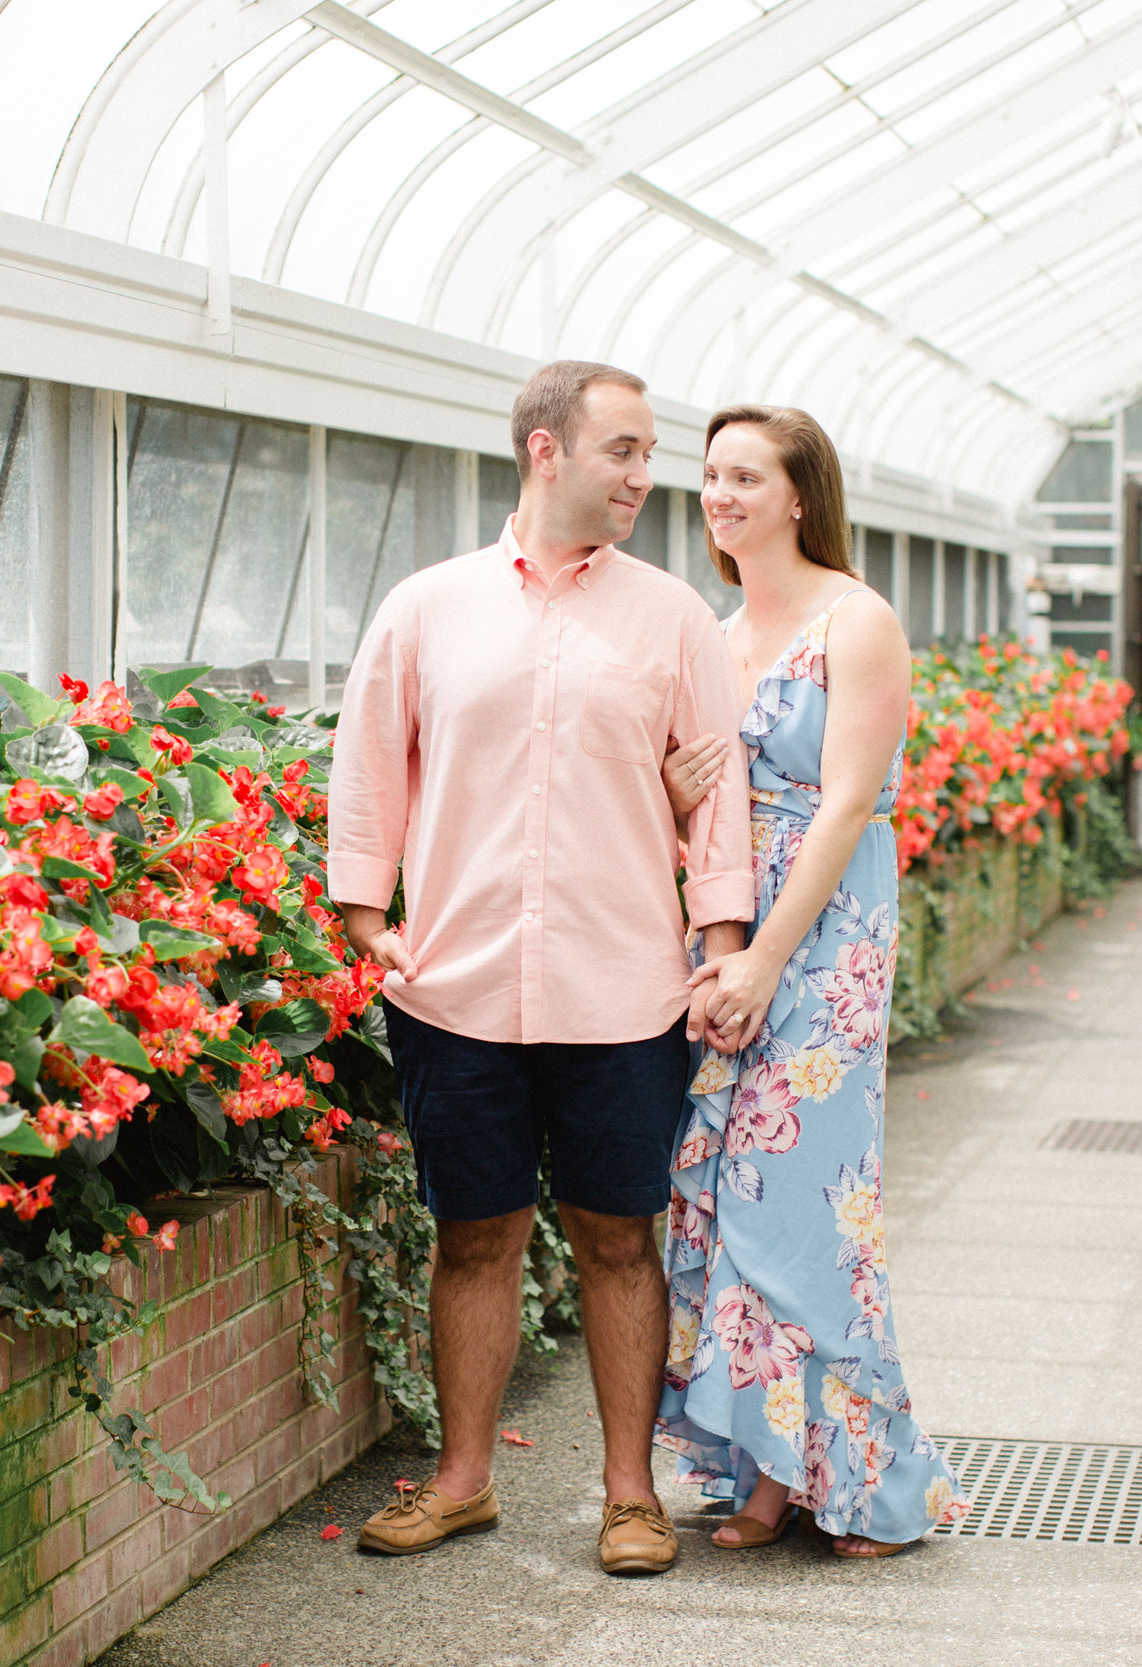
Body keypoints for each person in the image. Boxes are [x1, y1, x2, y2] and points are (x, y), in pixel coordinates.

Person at [328, 361, 753, 1576]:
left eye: (648, 453)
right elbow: (371, 764)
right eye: (622, 449)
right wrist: (367, 920)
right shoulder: (426, 606)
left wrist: (720, 943)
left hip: (623, 985)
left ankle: (631, 1495)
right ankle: (462, 1482)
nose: (643, 475)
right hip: (457, 986)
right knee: (474, 1234)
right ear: (544, 449)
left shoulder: (672, 616)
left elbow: (714, 798)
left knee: (620, 1238)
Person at [652, 404, 967, 1557]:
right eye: (710, 476)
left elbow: (844, 804)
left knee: (806, 1205)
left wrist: (766, 957)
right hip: (726, 929)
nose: (721, 495)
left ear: (798, 495)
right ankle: (772, 1467)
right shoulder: (714, 630)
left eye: (747, 476)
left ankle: (874, 1483)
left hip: (822, 942)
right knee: (734, 1192)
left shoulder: (856, 619)